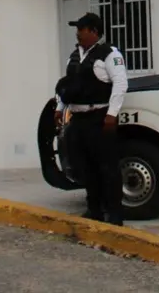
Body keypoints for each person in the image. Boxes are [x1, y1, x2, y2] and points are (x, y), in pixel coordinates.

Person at [54, 12, 128, 225]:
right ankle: (94, 209)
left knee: (107, 168)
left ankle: (114, 214)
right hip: (78, 119)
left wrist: (112, 114)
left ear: (94, 31)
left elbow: (120, 84)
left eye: (81, 29)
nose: (78, 34)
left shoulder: (109, 54)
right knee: (85, 167)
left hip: (99, 117)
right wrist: (60, 107)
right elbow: (68, 85)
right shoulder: (74, 56)